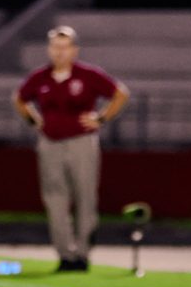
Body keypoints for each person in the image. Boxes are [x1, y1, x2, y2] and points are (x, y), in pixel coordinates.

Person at [13, 26, 129, 272]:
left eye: (64, 47)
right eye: (55, 47)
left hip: (81, 142)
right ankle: (65, 254)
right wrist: (34, 120)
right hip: (50, 143)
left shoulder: (87, 75)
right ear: (49, 50)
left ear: (74, 50)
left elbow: (120, 94)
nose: (59, 53)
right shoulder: (41, 77)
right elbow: (19, 98)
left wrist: (101, 118)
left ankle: (83, 254)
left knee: (85, 197)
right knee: (55, 199)